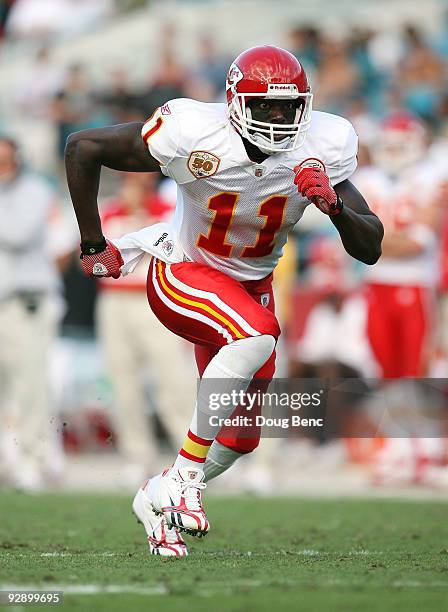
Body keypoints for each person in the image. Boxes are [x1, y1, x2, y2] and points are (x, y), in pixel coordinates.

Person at [65, 45, 383, 557]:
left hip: (250, 288)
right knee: (257, 333)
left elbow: (370, 246)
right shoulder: (193, 129)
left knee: (238, 442)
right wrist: (93, 243)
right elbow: (83, 147)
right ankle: (186, 478)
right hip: (182, 271)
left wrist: (334, 204)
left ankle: (156, 495)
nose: (278, 119)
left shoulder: (326, 142)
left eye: (289, 107)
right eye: (265, 106)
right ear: (236, 102)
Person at [97, 172, 195, 484]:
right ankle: (136, 455)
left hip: (155, 300)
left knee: (173, 381)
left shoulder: (165, 211)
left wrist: (141, 216)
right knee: (123, 382)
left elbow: (171, 250)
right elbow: (94, 258)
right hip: (114, 302)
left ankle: (190, 455)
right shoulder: (109, 212)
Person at [352, 112, 444, 378]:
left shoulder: (431, 177)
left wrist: (376, 243)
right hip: (375, 284)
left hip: (416, 283)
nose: (393, 151)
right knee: (380, 369)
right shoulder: (366, 179)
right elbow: (354, 238)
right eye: (389, 145)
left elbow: (418, 243)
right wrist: (391, 243)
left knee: (415, 372)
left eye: (400, 145)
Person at [0, 136, 65, 490]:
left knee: (30, 385)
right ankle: (9, 459)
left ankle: (30, 458)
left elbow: (18, 233)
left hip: (26, 301)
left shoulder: (36, 190)